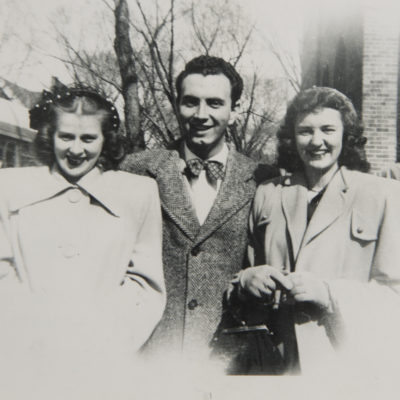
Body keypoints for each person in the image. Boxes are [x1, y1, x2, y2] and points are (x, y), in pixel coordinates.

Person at [0, 85, 165, 393]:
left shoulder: (137, 194)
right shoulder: (9, 189)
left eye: (88, 138)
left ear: (106, 140)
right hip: (25, 362)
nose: (76, 150)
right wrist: (29, 332)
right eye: (66, 137)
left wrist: (104, 338)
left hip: (103, 364)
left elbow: (145, 283)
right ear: (50, 136)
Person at [225, 87, 400, 375]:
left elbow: (394, 297)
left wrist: (329, 293)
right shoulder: (268, 193)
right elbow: (241, 272)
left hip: (346, 369)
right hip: (275, 364)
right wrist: (247, 281)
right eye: (305, 131)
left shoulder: (382, 195)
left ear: (347, 135)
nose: (317, 141)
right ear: (292, 138)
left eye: (328, 130)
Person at [121, 55, 277, 363]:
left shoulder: (263, 181)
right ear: (177, 105)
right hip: (151, 355)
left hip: (228, 358)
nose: (201, 114)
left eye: (215, 103)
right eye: (191, 102)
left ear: (235, 111)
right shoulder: (138, 170)